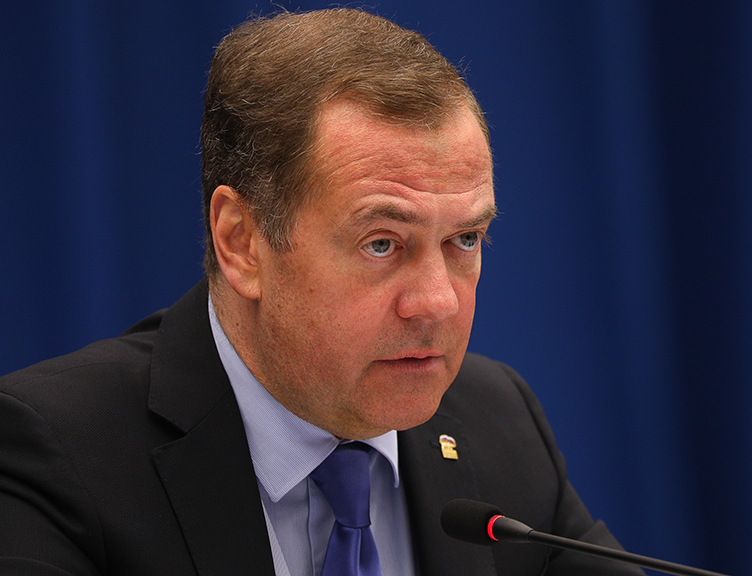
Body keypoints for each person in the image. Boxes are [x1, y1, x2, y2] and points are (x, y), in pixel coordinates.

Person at [0, 8, 644, 576]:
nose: (438, 303)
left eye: (465, 239)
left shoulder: (498, 422)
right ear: (241, 242)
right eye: (381, 243)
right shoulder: (55, 454)